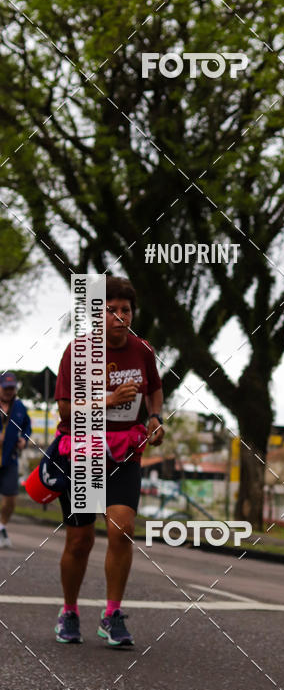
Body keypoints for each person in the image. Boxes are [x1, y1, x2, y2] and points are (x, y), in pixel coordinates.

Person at [53, 276, 164, 646]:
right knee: (80, 539)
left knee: (122, 528)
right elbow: (66, 410)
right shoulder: (78, 352)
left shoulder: (143, 350)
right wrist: (108, 401)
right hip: (84, 450)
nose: (119, 316)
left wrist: (155, 419)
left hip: (125, 451)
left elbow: (155, 389)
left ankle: (112, 613)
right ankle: (69, 611)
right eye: (110, 310)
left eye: (125, 310)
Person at [0, 372, 31, 548]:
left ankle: (2, 526)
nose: (8, 392)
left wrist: (24, 439)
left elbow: (27, 426)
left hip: (9, 459)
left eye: (12, 388)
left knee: (11, 499)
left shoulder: (19, 407)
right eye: (5, 388)